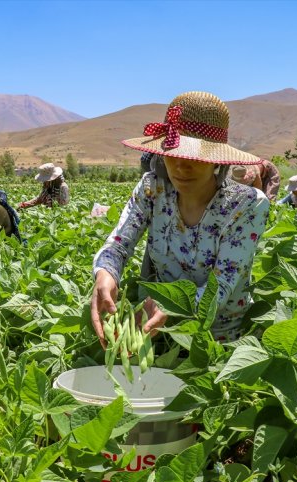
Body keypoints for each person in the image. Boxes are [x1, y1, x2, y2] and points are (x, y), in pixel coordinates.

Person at [91, 91, 270, 346]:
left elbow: (220, 287)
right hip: (154, 330)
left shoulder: (246, 205)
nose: (181, 166)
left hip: (216, 340)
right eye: (173, 153)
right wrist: (106, 273)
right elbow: (119, 245)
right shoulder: (153, 189)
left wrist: (171, 304)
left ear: (217, 161)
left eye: (195, 157)